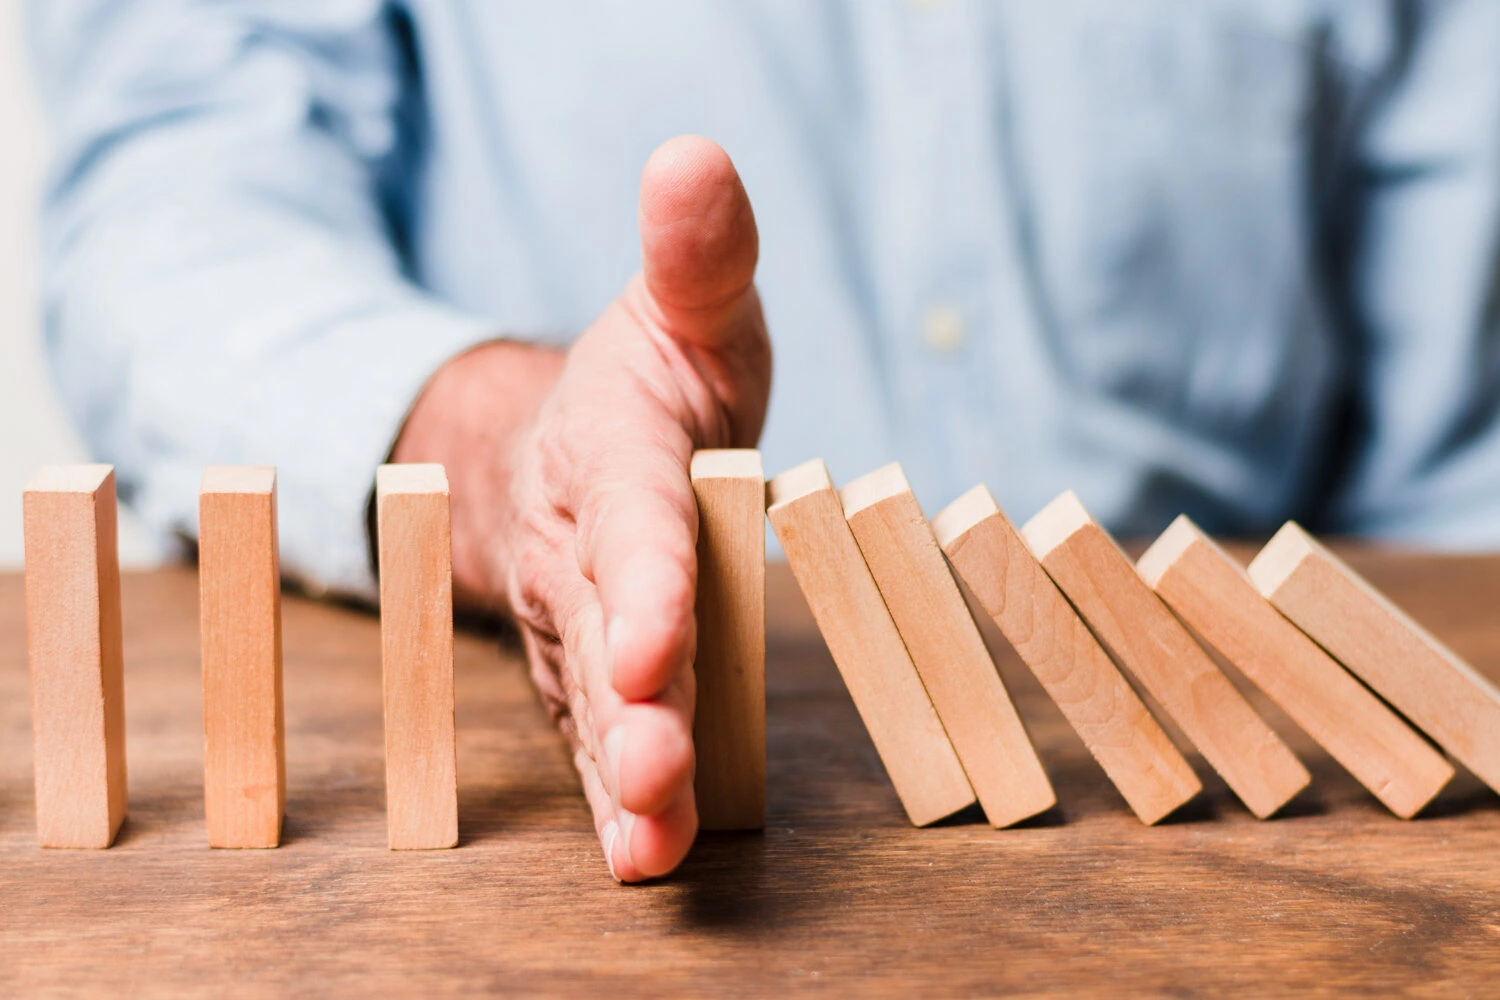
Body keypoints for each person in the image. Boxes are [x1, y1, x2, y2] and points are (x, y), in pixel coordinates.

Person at [27, 2, 1500, 881]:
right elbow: (176, 199)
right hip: (520, 722)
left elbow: (1458, 458)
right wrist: (501, 446)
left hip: (1241, 797)